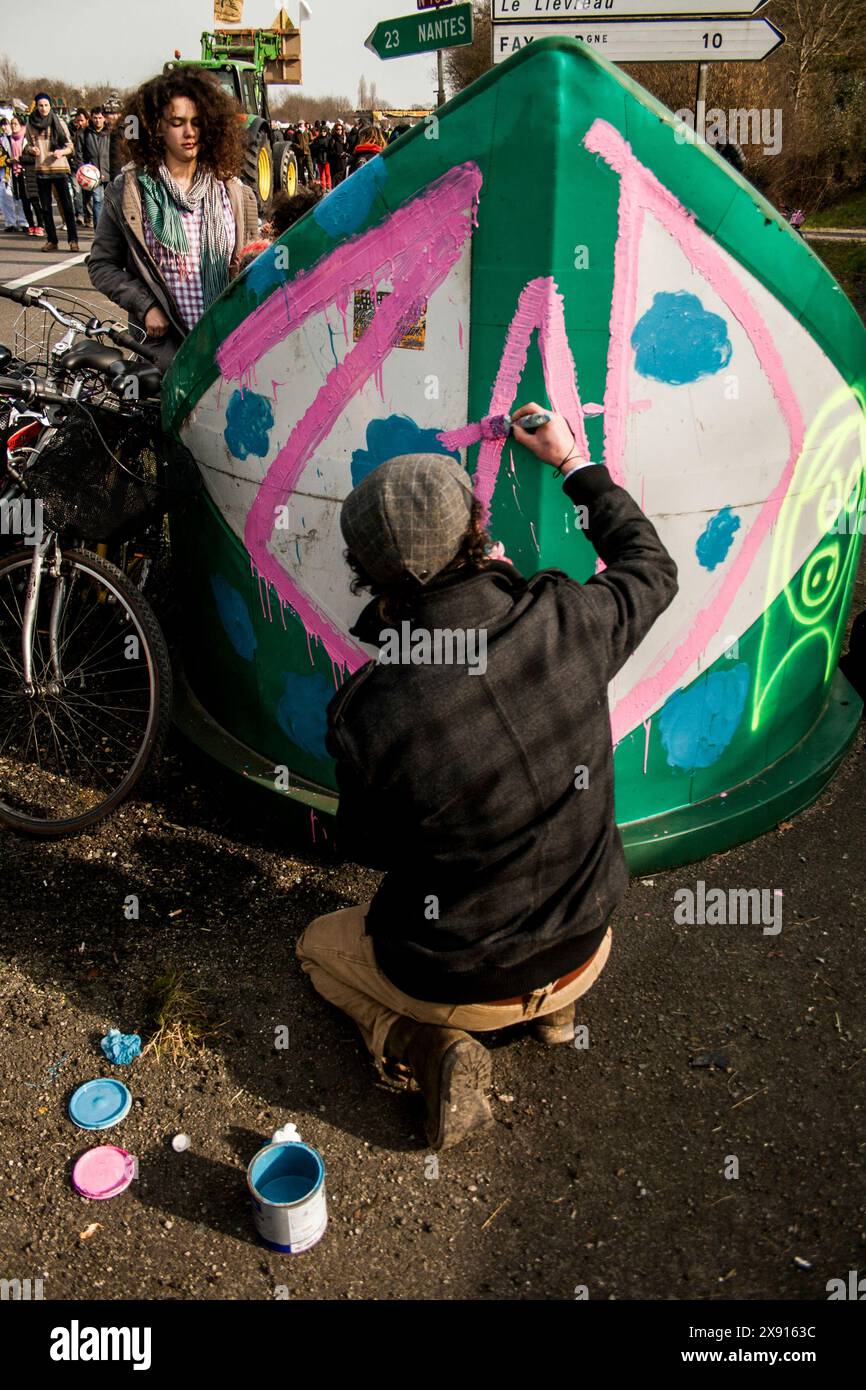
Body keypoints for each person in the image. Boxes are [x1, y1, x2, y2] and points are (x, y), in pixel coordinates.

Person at [296, 410, 679, 1150]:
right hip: (588, 945)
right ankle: (557, 1016)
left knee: (317, 944)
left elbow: (366, 847)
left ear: (368, 577)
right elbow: (650, 566)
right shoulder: (568, 617)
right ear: (478, 532)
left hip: (460, 986)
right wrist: (572, 461)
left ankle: (421, 1045)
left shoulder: (370, 713)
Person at [87, 67, 258, 371]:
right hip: (164, 352)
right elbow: (102, 264)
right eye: (177, 123)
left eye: (196, 122)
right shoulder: (130, 191)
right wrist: (146, 306)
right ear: (157, 128)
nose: (189, 132)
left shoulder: (232, 190)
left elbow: (252, 265)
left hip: (227, 347)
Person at [23, 93, 78, 252]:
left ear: (50, 106)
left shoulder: (58, 121)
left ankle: (73, 240)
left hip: (59, 168)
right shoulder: (31, 123)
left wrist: (62, 152)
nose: (43, 108)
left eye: (46, 105)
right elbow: (26, 145)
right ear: (36, 106)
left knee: (67, 206)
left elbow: (70, 146)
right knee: (45, 208)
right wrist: (31, 149)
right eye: (40, 105)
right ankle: (52, 240)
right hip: (41, 170)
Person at [7, 114, 40, 235]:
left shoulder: (27, 139)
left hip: (29, 173)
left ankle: (39, 225)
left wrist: (19, 159)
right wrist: (8, 160)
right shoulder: (7, 140)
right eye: (12, 124)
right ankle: (29, 225)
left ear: (22, 125)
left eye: (15, 124)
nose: (13, 126)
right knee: (22, 200)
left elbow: (34, 158)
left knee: (34, 200)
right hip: (16, 173)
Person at [81, 106, 111, 227]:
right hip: (93, 174)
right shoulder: (85, 134)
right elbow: (80, 153)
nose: (98, 120)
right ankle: (99, 229)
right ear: (91, 118)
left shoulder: (110, 133)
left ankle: (110, 228)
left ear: (104, 118)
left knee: (110, 201)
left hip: (109, 171)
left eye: (100, 118)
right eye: (95, 118)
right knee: (97, 200)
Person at [328, 121, 349, 186]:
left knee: (342, 179)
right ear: (335, 130)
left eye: (341, 129)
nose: (339, 131)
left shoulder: (343, 138)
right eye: (338, 129)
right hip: (335, 163)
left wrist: (345, 143)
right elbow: (331, 151)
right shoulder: (332, 139)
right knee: (335, 180)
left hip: (342, 162)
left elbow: (346, 149)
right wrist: (339, 154)